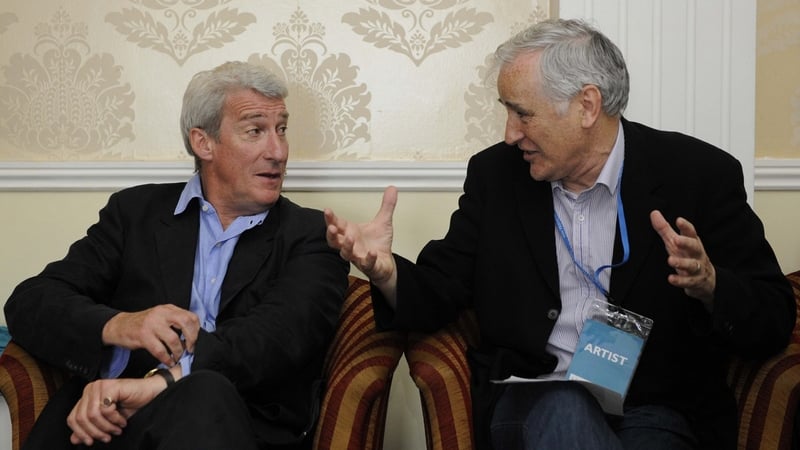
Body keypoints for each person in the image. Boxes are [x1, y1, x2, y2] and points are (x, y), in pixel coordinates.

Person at [324, 18, 796, 450]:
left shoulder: (697, 175)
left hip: (655, 408)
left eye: (522, 114)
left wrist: (713, 288)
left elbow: (773, 315)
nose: (509, 134)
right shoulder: (496, 176)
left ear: (587, 105)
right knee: (566, 409)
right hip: (534, 398)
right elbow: (442, 287)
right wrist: (386, 273)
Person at [4, 61, 350, 450]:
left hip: (237, 426)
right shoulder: (135, 213)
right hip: (112, 422)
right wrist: (119, 324)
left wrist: (163, 381)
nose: (278, 151)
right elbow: (31, 302)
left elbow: (273, 340)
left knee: (204, 392)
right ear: (204, 143)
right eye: (256, 131)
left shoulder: (312, 235)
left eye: (281, 129)